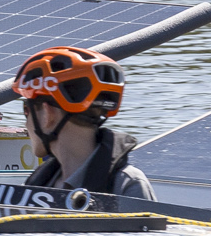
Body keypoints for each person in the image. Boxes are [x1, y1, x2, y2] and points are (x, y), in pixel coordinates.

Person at [12, 45, 155, 200]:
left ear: (47, 114)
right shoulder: (38, 183)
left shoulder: (127, 185)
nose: (26, 125)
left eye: (27, 110)